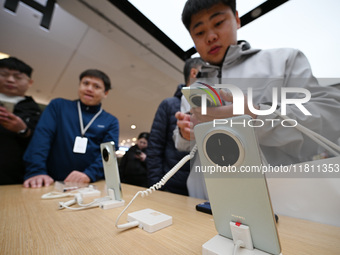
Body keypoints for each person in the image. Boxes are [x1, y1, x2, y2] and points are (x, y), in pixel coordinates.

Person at [174, 0, 340, 199]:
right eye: (199, 33)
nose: (211, 37)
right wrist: (185, 133)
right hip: (204, 201)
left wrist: (255, 115)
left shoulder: (283, 62)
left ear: (236, 19)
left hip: (280, 201)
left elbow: (330, 119)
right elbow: (183, 144)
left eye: (218, 23)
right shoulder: (196, 88)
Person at [23, 69, 119, 188]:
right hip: (49, 180)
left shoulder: (111, 121)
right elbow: (41, 138)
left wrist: (89, 174)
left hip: (89, 183)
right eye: (85, 83)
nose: (89, 88)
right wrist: (36, 171)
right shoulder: (58, 106)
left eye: (96, 86)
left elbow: (108, 154)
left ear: (106, 93)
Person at [147, 57, 204, 195]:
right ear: (194, 73)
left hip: (204, 187)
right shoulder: (169, 104)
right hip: (172, 185)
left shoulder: (213, 106)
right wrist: (157, 185)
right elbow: (155, 146)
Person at [0, 57, 41, 185]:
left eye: (18, 77)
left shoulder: (36, 111)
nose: (10, 80)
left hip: (13, 178)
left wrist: (23, 130)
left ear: (29, 82)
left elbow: (41, 144)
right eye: (4, 74)